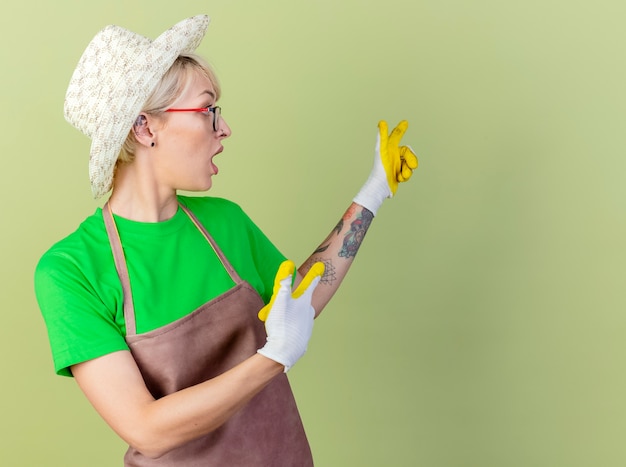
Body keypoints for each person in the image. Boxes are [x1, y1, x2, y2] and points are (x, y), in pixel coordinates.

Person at [34, 14, 418, 466]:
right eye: (207, 110)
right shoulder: (72, 269)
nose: (224, 129)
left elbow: (298, 302)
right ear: (144, 128)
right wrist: (272, 358)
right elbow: (146, 428)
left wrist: (371, 195)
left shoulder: (225, 222)